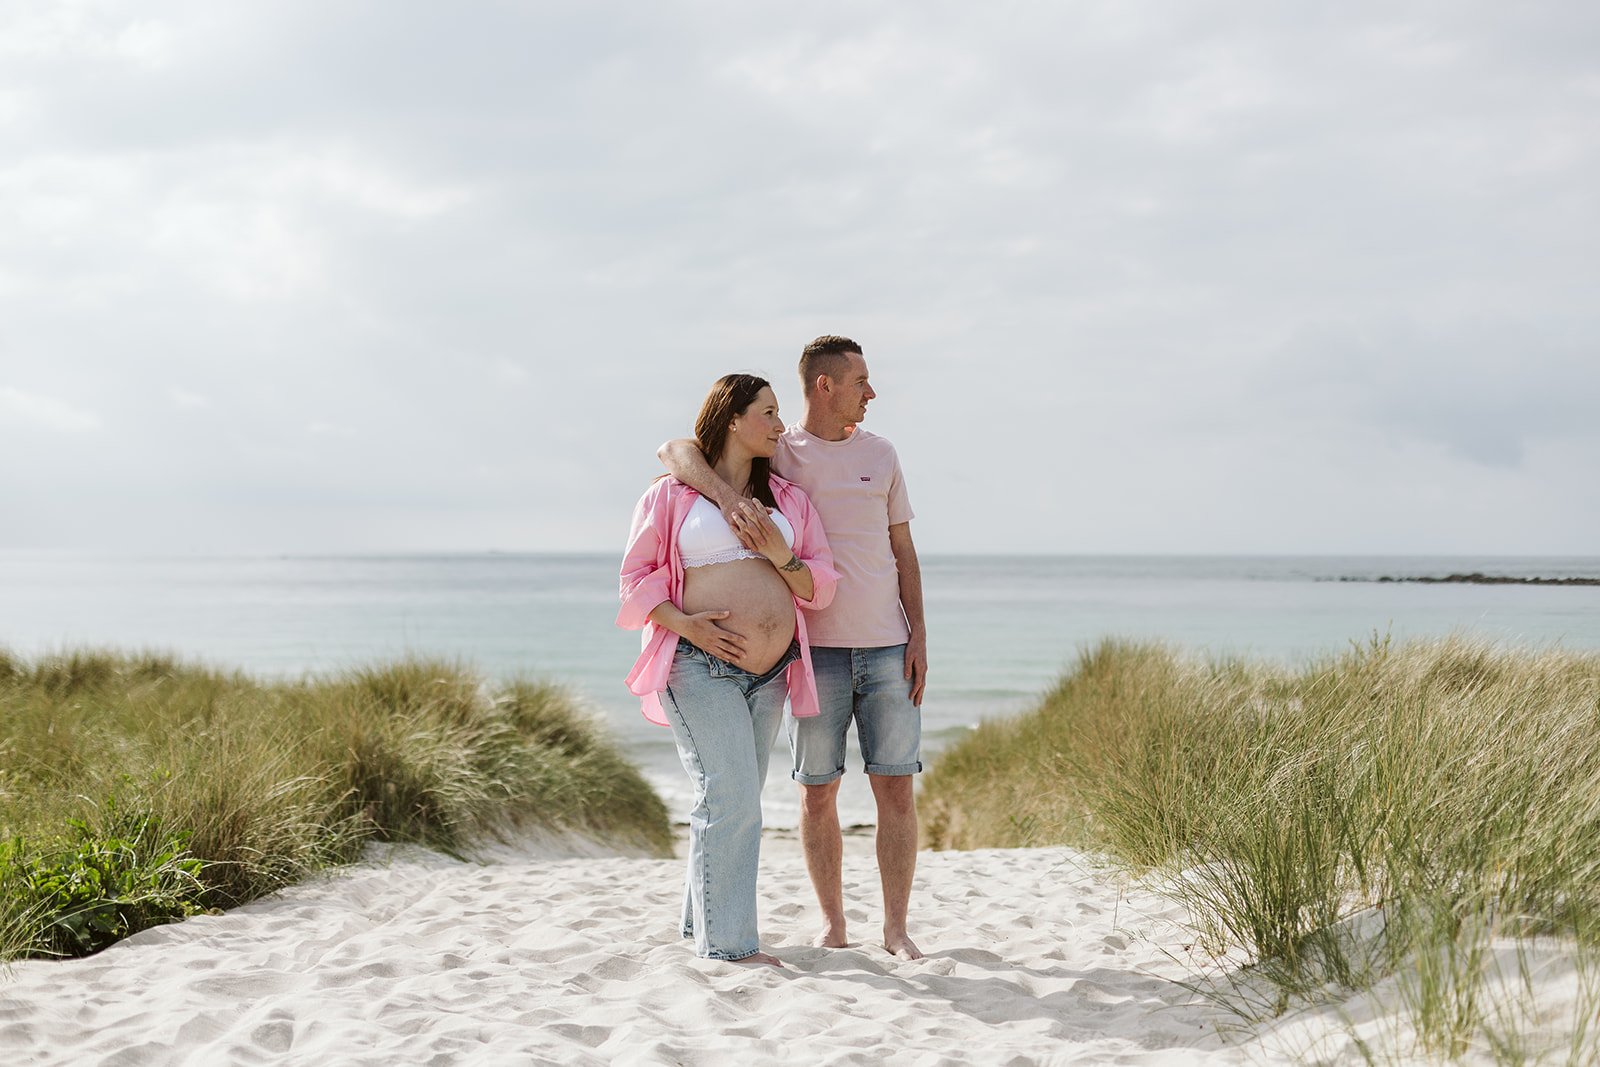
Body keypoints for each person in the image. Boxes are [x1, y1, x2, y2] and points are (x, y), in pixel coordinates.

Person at [658, 336, 927, 960]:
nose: (873, 391)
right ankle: (831, 927)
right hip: (812, 656)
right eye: (862, 379)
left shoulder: (880, 454)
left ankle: (895, 929)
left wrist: (919, 635)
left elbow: (902, 551)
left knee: (894, 790)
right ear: (825, 385)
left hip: (885, 645)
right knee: (811, 791)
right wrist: (726, 499)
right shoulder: (780, 453)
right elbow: (678, 453)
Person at [618, 373, 838, 967]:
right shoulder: (672, 496)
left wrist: (778, 554)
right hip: (698, 665)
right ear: (733, 419)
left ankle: (700, 924)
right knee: (734, 798)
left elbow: (819, 586)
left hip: (770, 674)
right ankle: (731, 946)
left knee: (727, 798)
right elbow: (636, 579)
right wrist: (689, 627)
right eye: (767, 413)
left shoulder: (789, 502)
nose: (778, 424)